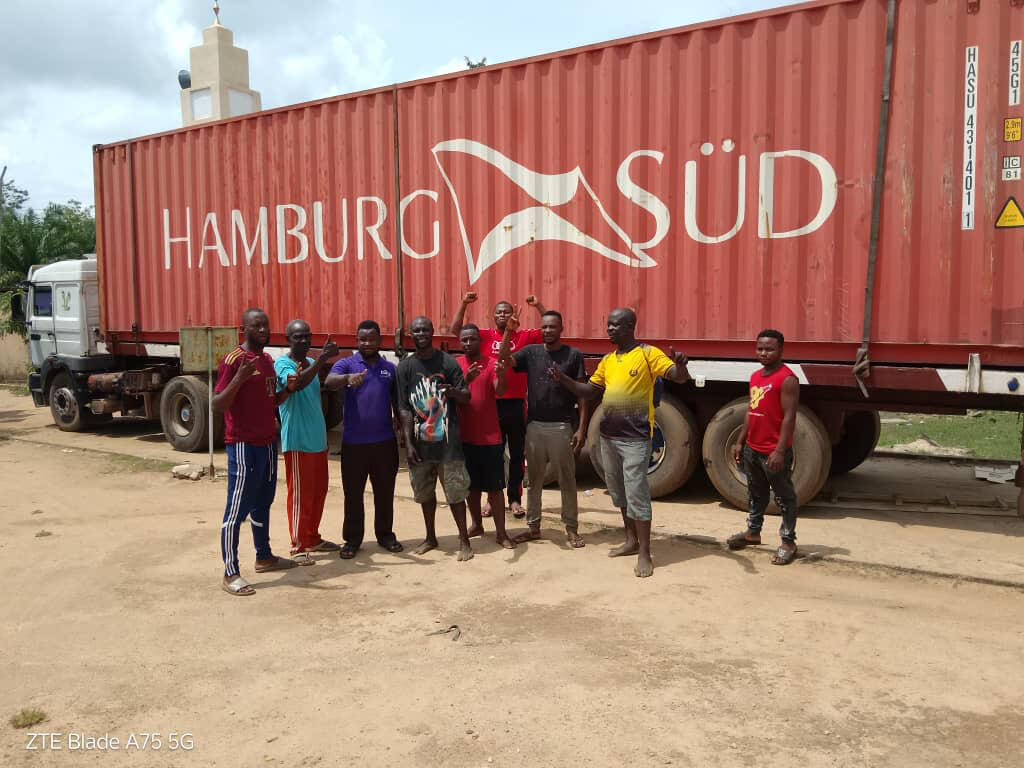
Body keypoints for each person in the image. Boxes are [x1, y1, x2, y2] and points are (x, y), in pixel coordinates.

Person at [552, 308, 690, 577]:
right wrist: (563, 379)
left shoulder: (648, 354)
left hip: (636, 439)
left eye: (615, 325)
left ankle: (645, 553)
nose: (609, 329)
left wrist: (682, 366)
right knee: (619, 492)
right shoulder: (608, 361)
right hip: (608, 438)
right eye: (608, 324)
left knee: (637, 493)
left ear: (629, 326)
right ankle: (630, 541)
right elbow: (589, 391)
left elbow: (677, 375)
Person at [214, 308, 306, 596]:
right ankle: (230, 572)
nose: (263, 329)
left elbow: (271, 401)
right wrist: (239, 378)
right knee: (236, 508)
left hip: (267, 444)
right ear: (244, 329)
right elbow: (217, 404)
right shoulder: (234, 360)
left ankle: (264, 556)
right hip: (243, 445)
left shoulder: (267, 361)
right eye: (257, 325)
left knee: (263, 502)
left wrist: (289, 390)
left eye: (266, 324)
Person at [450, 291, 548, 518]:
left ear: (514, 314)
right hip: (491, 404)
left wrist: (538, 305)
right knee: (493, 454)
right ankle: (491, 499)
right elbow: (456, 329)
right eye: (499, 312)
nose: (503, 315)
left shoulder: (524, 336)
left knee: (516, 453)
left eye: (507, 311)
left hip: (515, 403)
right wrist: (463, 303)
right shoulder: (484, 336)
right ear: (493, 317)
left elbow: (548, 328)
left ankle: (514, 498)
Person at [500, 307, 590, 548]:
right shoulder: (531, 352)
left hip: (562, 427)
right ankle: (533, 527)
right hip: (535, 427)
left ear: (561, 329)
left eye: (552, 326)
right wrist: (508, 332)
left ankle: (571, 528)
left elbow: (582, 395)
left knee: (567, 480)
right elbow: (505, 360)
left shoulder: (573, 355)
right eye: (544, 327)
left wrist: (581, 429)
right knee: (534, 481)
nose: (548, 330)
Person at [397, 316, 475, 561]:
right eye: (416, 330)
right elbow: (403, 408)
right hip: (420, 447)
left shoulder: (448, 362)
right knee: (425, 495)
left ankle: (464, 541)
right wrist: (408, 443)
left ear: (432, 332)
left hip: (448, 446)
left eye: (425, 329)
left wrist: (453, 392)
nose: (421, 334)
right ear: (411, 334)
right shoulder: (405, 367)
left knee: (456, 495)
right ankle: (430, 537)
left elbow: (466, 396)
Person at [325, 320, 404, 559]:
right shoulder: (346, 364)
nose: (367, 343)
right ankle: (352, 540)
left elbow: (397, 403)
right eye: (362, 339)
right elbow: (329, 382)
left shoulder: (389, 369)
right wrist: (347, 378)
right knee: (353, 494)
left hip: (384, 443)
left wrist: (402, 431)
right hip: (354, 444)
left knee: (384, 492)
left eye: (371, 339)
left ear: (380, 341)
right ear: (356, 340)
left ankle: (385, 535)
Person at [726, 330, 800, 565]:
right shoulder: (756, 376)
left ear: (781, 350)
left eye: (769, 349)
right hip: (752, 448)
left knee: (784, 497)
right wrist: (740, 441)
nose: (764, 353)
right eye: (760, 349)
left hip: (773, 451)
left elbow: (789, 417)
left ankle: (788, 541)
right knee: (756, 492)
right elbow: (752, 410)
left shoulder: (787, 379)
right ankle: (753, 532)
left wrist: (779, 450)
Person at [274, 321, 341, 562]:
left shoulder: (312, 362)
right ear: (288, 339)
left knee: (318, 492)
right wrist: (322, 359)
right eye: (298, 337)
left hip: (317, 441)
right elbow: (297, 384)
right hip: (298, 441)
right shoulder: (282, 364)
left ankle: (312, 537)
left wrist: (320, 362)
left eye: (307, 336)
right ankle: (298, 545)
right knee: (300, 495)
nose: (303, 341)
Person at [456, 323, 516, 550]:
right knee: (470, 487)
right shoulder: (455, 365)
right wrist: (465, 379)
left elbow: (500, 390)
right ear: (460, 342)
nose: (468, 343)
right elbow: (450, 394)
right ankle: (477, 525)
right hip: (464, 437)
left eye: (472, 339)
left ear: (480, 341)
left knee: (495, 488)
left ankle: (501, 533)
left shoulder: (491, 364)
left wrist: (501, 375)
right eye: (464, 339)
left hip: (490, 438)